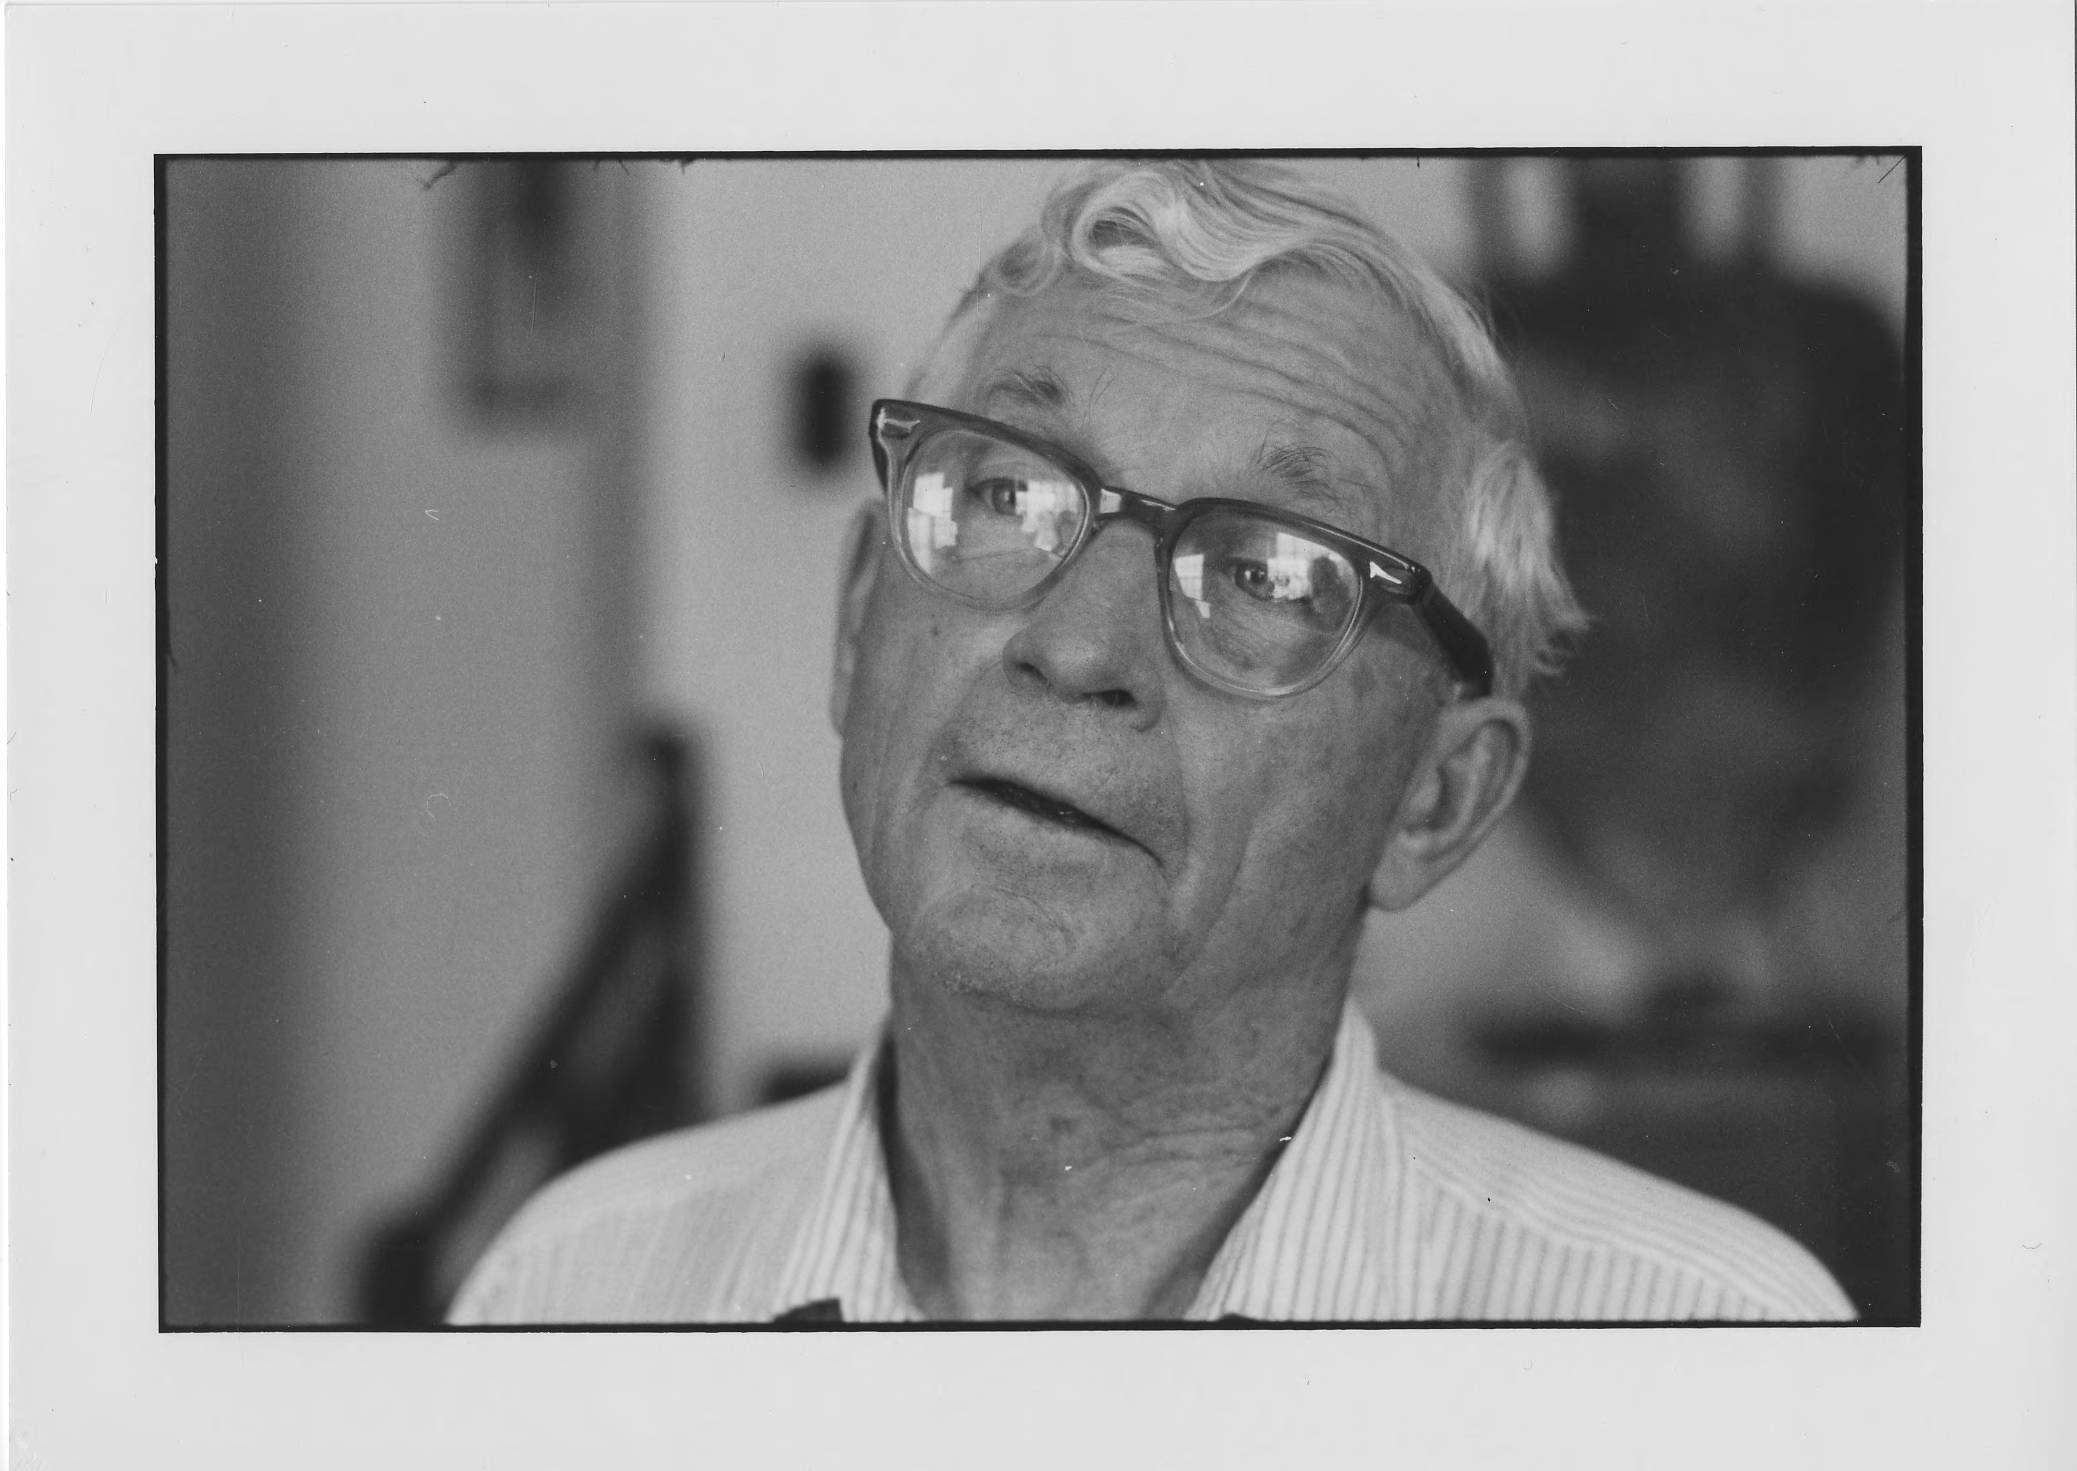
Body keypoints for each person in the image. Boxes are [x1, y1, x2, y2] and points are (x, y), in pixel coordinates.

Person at [451, 159, 1854, 1323]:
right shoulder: (572, 1290)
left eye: (1269, 573)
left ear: (1435, 797)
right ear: (860, 619)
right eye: (1003, 495)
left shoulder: (1701, 1344)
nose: (1076, 648)